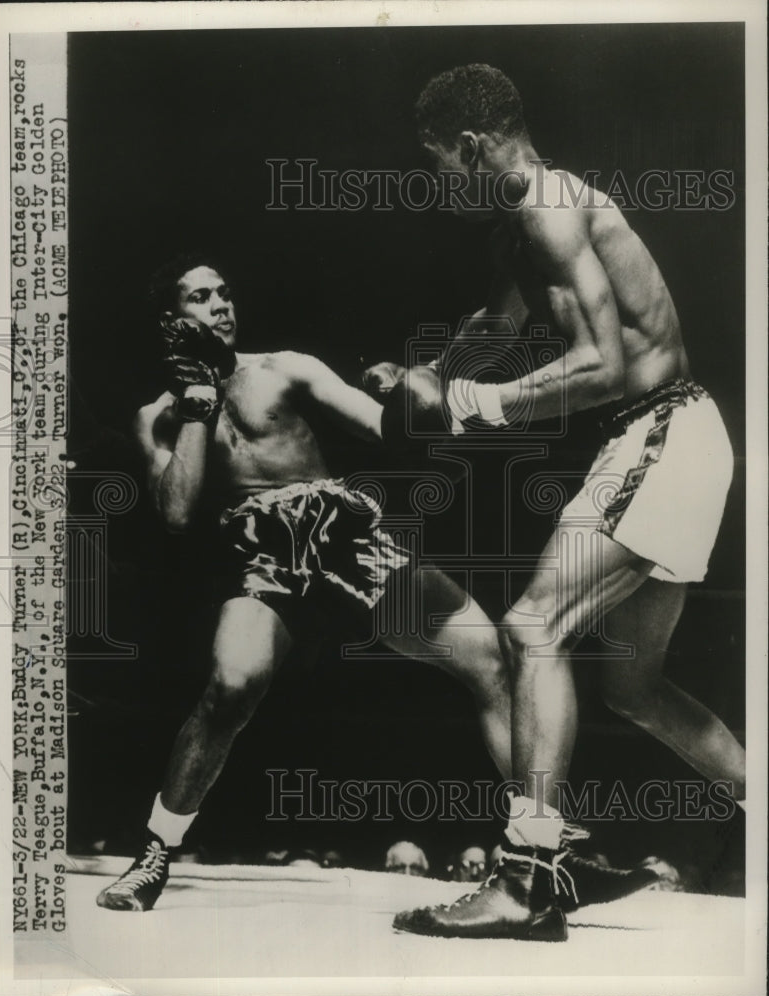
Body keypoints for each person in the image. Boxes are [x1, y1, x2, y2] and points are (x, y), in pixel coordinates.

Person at [373, 65, 745, 940]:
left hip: (660, 432)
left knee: (533, 625)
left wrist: (470, 405)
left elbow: (602, 367)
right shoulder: (517, 228)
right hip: (666, 442)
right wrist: (425, 376)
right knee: (634, 687)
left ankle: (528, 874)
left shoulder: (548, 208)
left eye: (435, 167)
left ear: (470, 147)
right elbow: (495, 333)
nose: (435, 187)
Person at [95, 253, 514, 911]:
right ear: (170, 320)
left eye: (225, 293)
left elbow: (384, 429)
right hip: (262, 558)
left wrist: (408, 387)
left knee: (489, 656)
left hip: (344, 538)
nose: (221, 306)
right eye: (201, 297)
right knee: (231, 687)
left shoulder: (284, 367)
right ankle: (153, 856)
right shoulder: (159, 417)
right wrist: (199, 404)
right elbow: (176, 512)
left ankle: (536, 844)